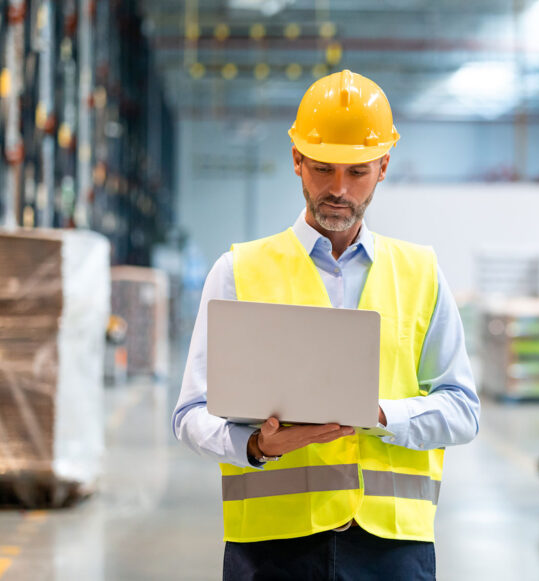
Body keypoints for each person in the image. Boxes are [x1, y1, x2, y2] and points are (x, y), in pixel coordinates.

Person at [172, 69, 480, 581]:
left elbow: (463, 410)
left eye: (357, 172)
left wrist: (382, 415)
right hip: (272, 549)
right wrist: (255, 446)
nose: (339, 190)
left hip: (392, 551)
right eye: (322, 169)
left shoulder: (421, 273)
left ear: (384, 166)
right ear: (296, 160)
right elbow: (190, 413)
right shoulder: (238, 271)